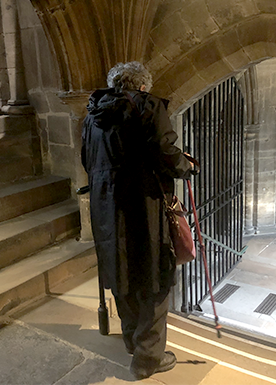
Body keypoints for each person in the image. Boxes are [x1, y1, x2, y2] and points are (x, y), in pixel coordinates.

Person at [81, 61, 193, 380]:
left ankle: (132, 339)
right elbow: (165, 153)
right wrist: (186, 167)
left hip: (105, 206)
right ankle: (148, 357)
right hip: (143, 206)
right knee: (156, 274)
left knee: (122, 270)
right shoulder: (147, 106)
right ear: (142, 85)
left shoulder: (92, 116)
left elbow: (86, 160)